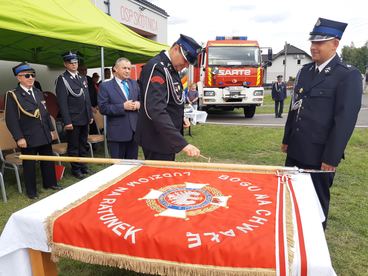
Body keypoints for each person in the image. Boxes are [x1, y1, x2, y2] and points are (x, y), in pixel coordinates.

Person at [281, 18, 362, 229]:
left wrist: (331, 157)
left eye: (320, 43)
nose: (313, 47)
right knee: (291, 199)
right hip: (296, 150)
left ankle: (314, 250)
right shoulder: (305, 72)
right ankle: (292, 241)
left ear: (335, 44)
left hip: (320, 156)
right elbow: (295, 108)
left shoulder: (347, 75)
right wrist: (287, 139)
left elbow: (345, 120)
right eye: (312, 42)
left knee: (315, 204)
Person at [135, 34, 202, 161]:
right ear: (176, 48)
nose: (186, 65)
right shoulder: (157, 68)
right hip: (156, 139)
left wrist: (180, 118)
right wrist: (182, 143)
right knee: (160, 179)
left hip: (165, 138)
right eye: (186, 60)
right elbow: (155, 109)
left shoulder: (172, 69)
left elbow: (173, 100)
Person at [5, 62, 62, 199]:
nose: (31, 78)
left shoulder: (37, 92)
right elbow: (11, 119)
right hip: (28, 136)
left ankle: (50, 183)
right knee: (29, 164)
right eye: (27, 76)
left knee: (47, 160)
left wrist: (51, 130)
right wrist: (19, 138)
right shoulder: (13, 95)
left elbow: (45, 113)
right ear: (19, 78)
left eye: (32, 75)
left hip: (43, 133)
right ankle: (31, 191)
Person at [55, 52, 93, 179]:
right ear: (65, 64)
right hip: (73, 119)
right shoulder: (63, 79)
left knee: (83, 143)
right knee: (74, 145)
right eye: (71, 63)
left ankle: (83, 166)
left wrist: (90, 115)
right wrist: (67, 121)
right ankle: (76, 169)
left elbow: (86, 98)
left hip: (84, 117)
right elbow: (62, 102)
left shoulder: (82, 78)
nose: (74, 65)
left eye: (75, 62)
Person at [98, 57, 140, 159]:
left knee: (132, 165)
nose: (127, 71)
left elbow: (142, 99)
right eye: (124, 68)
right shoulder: (105, 86)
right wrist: (122, 107)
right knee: (118, 166)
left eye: (129, 68)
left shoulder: (134, 83)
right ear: (115, 69)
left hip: (134, 132)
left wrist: (139, 104)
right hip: (117, 134)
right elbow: (103, 108)